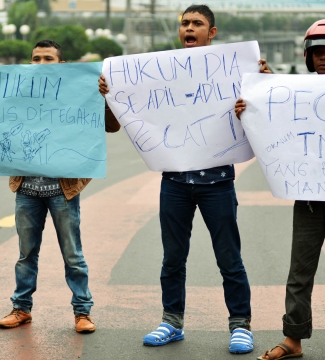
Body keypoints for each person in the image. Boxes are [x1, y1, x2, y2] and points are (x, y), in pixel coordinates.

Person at [99, 4, 270, 354]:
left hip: (218, 182)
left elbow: (269, 117)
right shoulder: (157, 72)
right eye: (185, 23)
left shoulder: (238, 71)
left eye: (197, 23)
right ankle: (171, 322)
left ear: (212, 32)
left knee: (229, 258)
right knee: (172, 258)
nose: (189, 28)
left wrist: (265, 84)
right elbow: (117, 120)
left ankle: (240, 325)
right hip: (175, 182)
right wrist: (110, 93)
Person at [0, 39, 121, 333]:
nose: (40, 63)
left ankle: (82, 312)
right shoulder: (17, 93)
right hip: (26, 190)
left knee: (73, 255)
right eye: (35, 58)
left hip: (64, 191)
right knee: (26, 254)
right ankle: (21, 308)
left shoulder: (80, 91)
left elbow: (112, 126)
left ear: (61, 64)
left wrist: (104, 97)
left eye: (47, 58)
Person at [236, 19, 325, 360]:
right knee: (299, 272)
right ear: (308, 57)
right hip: (308, 198)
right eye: (317, 53)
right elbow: (278, 108)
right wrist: (251, 107)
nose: (323, 58)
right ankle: (293, 339)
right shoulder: (294, 91)